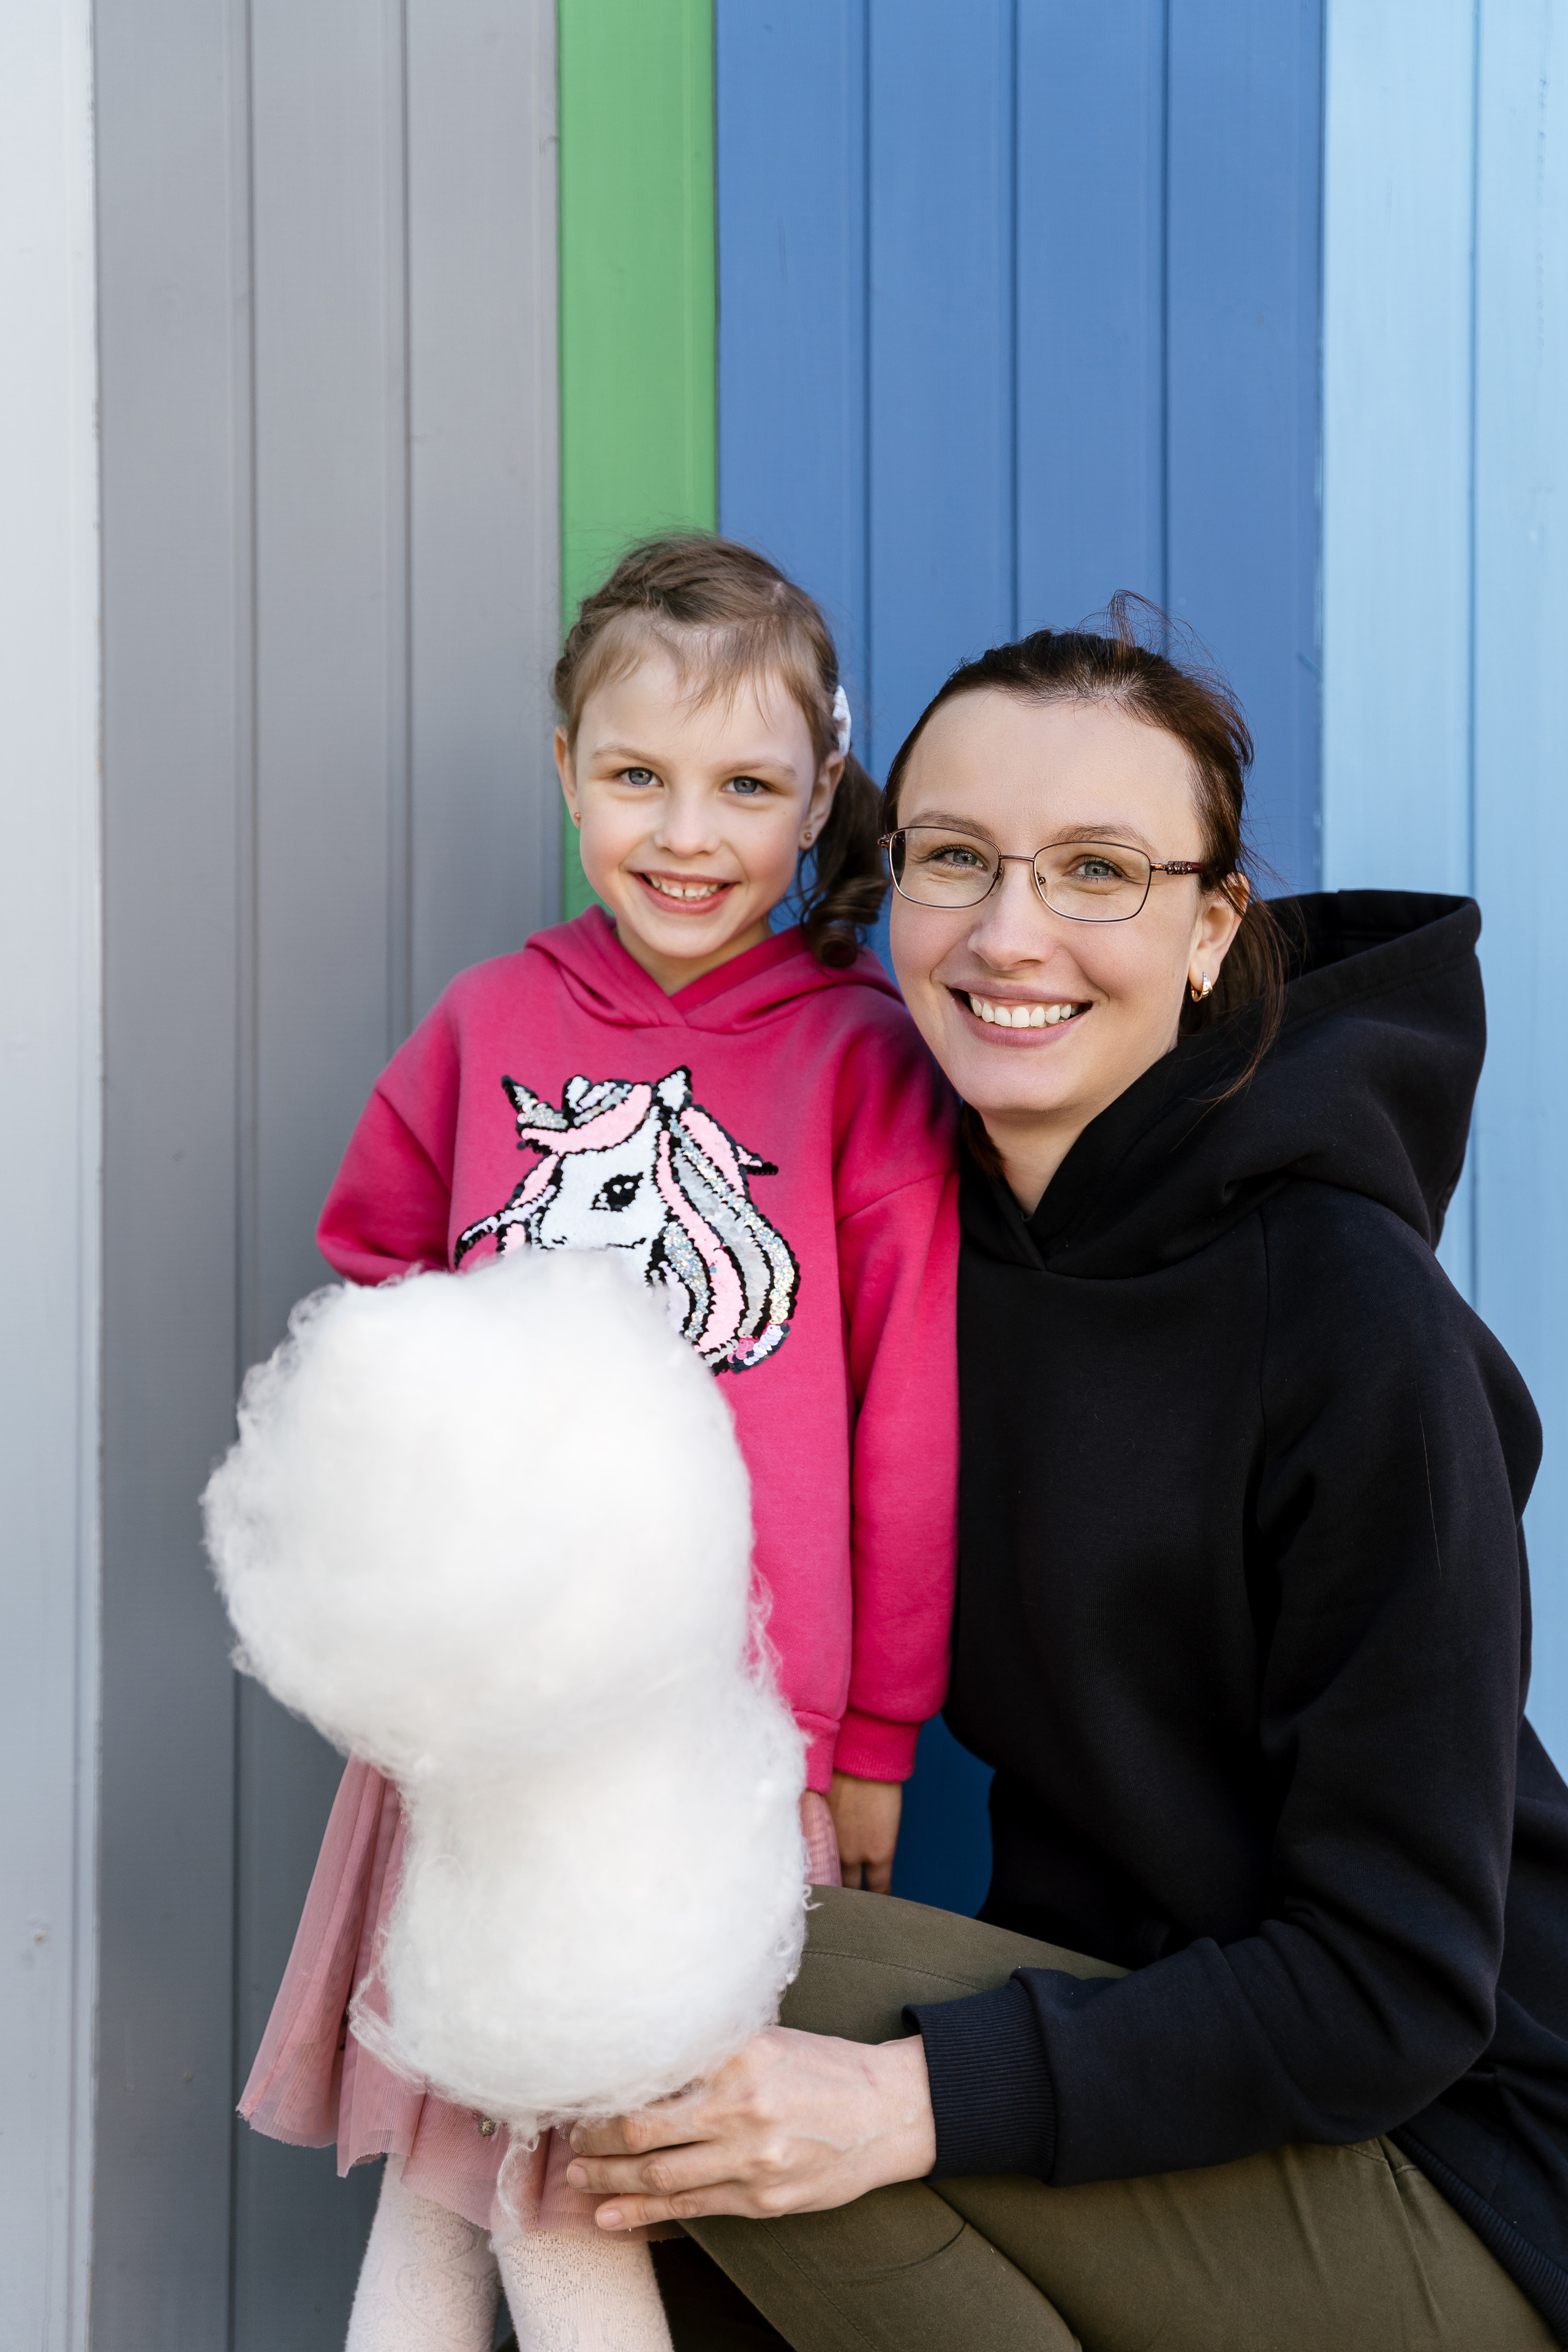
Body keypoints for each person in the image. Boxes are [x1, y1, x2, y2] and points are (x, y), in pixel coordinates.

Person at [564, 605, 1568, 2352]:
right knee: (669, 2074)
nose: (1011, 931)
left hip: (1460, 2170)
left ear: (1210, 929)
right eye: (955, 858)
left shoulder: (1346, 1316)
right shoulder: (909, 1250)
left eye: (1100, 870)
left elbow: (1397, 1986)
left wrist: (903, 2105)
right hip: (1168, 2074)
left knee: (745, 1995)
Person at [236, 536, 960, 2352]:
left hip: (732, 1738)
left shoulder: (862, 1065)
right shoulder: (492, 1029)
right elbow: (371, 1291)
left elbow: (910, 1430)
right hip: (492, 1729)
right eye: (635, 776)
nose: (685, 831)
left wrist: (869, 1740)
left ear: (820, 803)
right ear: (565, 770)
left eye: (745, 785)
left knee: (609, 2178)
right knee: (450, 2170)